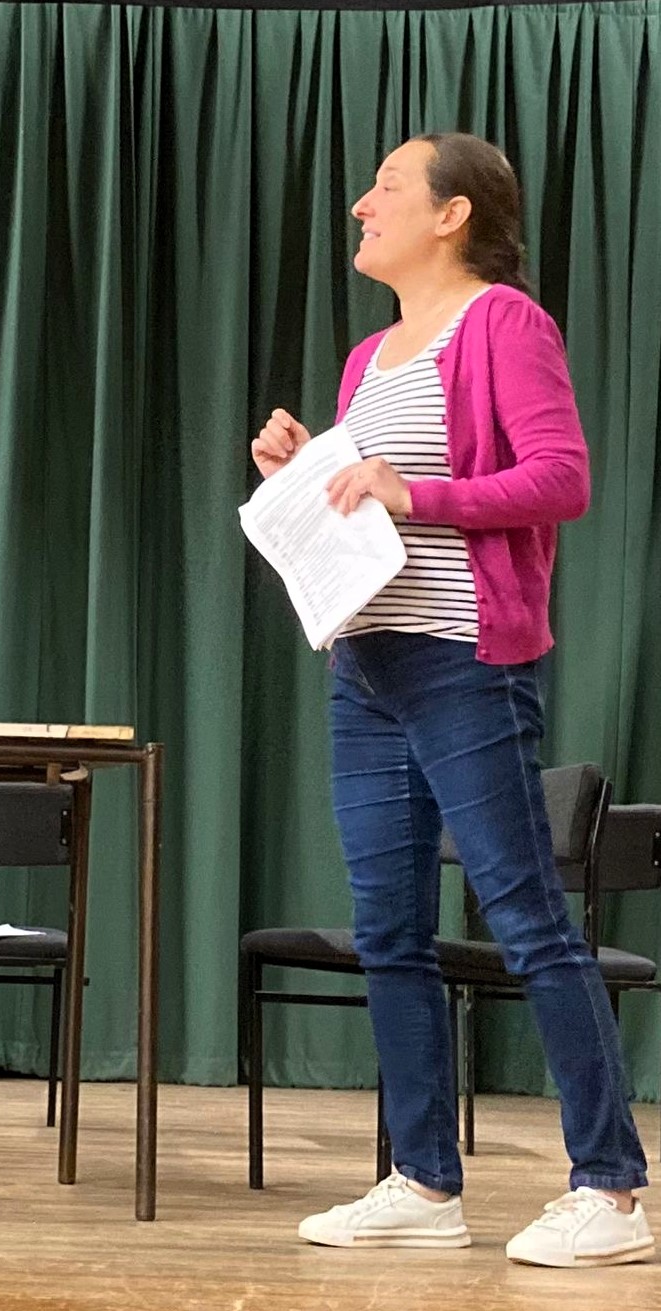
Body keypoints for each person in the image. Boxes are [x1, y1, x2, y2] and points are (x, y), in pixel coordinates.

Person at [252, 133, 651, 1267]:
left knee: (524, 918)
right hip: (365, 667)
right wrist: (307, 475)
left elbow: (561, 478)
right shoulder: (365, 360)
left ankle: (611, 1190)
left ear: (452, 214)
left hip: (464, 661)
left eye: (385, 186)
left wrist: (413, 491)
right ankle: (424, 1183)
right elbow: (369, 507)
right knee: (387, 931)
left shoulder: (503, 323)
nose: (359, 203)